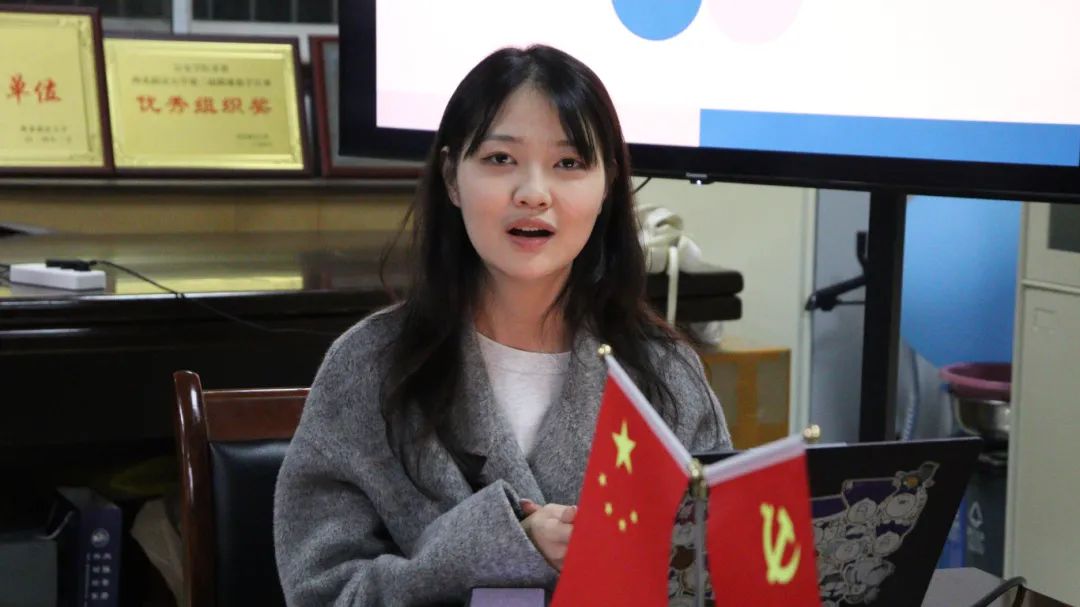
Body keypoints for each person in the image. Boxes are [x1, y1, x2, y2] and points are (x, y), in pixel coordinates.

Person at [274, 44, 731, 606]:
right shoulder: (368, 366)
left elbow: (716, 575)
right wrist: (499, 546)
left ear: (608, 183)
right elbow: (324, 595)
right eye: (500, 159)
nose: (533, 193)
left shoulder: (664, 373)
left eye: (569, 163)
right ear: (451, 177)